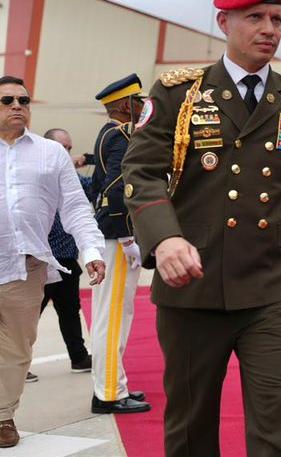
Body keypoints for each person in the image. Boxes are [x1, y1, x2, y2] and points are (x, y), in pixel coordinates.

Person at [122, 0, 281, 457]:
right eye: (254, 17)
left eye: (276, 18)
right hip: (193, 283)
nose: (268, 28)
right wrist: (164, 237)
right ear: (223, 22)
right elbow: (140, 172)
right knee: (192, 425)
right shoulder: (180, 93)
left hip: (270, 285)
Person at [0, 75, 106, 449]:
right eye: (7, 100)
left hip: (24, 268)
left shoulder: (50, 153)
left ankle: (3, 417)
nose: (17, 106)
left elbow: (76, 208)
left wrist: (91, 251)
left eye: (23, 100)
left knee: (16, 347)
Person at [88, 74, 151, 415]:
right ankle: (109, 392)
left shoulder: (110, 134)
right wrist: (127, 237)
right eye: (138, 101)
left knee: (113, 314)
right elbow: (116, 189)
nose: (142, 106)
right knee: (113, 317)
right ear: (127, 105)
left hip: (112, 235)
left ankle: (112, 384)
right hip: (116, 236)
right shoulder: (119, 137)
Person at [29, 129, 94, 384]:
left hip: (65, 258)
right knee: (27, 315)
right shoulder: (40, 172)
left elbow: (93, 187)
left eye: (69, 148)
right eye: (62, 148)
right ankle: (16, 362)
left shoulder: (69, 177)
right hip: (40, 258)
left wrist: (91, 160)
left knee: (70, 310)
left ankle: (78, 356)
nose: (67, 152)